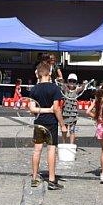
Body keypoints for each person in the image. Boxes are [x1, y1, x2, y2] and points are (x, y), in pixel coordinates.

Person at [28, 62, 67, 190]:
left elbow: (32, 109)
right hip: (51, 123)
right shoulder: (55, 89)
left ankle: (34, 178)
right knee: (51, 150)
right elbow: (56, 109)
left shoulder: (34, 89)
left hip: (38, 122)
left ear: (38, 74)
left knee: (37, 150)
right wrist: (62, 125)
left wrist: (44, 110)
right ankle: (51, 180)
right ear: (50, 73)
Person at [60, 74, 84, 146]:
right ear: (68, 81)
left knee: (72, 130)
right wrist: (60, 79)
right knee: (64, 129)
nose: (72, 83)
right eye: (70, 81)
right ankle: (63, 144)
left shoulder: (76, 90)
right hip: (65, 112)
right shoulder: (65, 89)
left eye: (74, 81)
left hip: (73, 113)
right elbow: (61, 83)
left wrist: (84, 83)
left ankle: (71, 145)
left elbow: (82, 87)